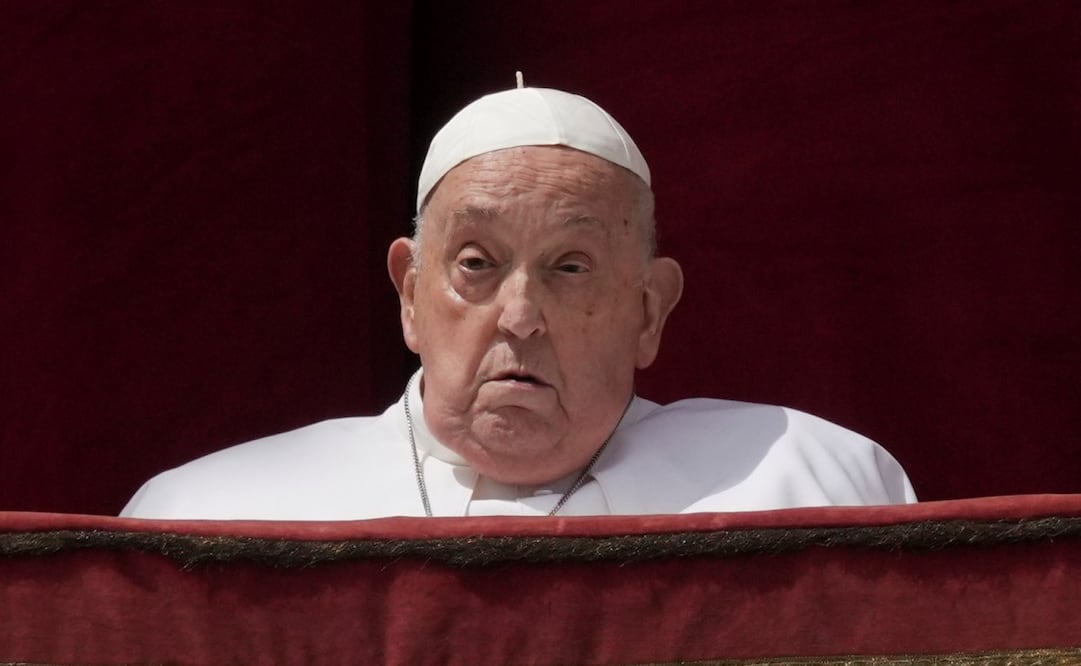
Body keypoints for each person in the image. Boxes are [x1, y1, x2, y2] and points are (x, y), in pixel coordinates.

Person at [121, 84, 916, 519]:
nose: (519, 314)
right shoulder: (211, 518)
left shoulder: (812, 484)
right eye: (476, 263)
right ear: (409, 293)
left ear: (648, 310)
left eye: (570, 267)